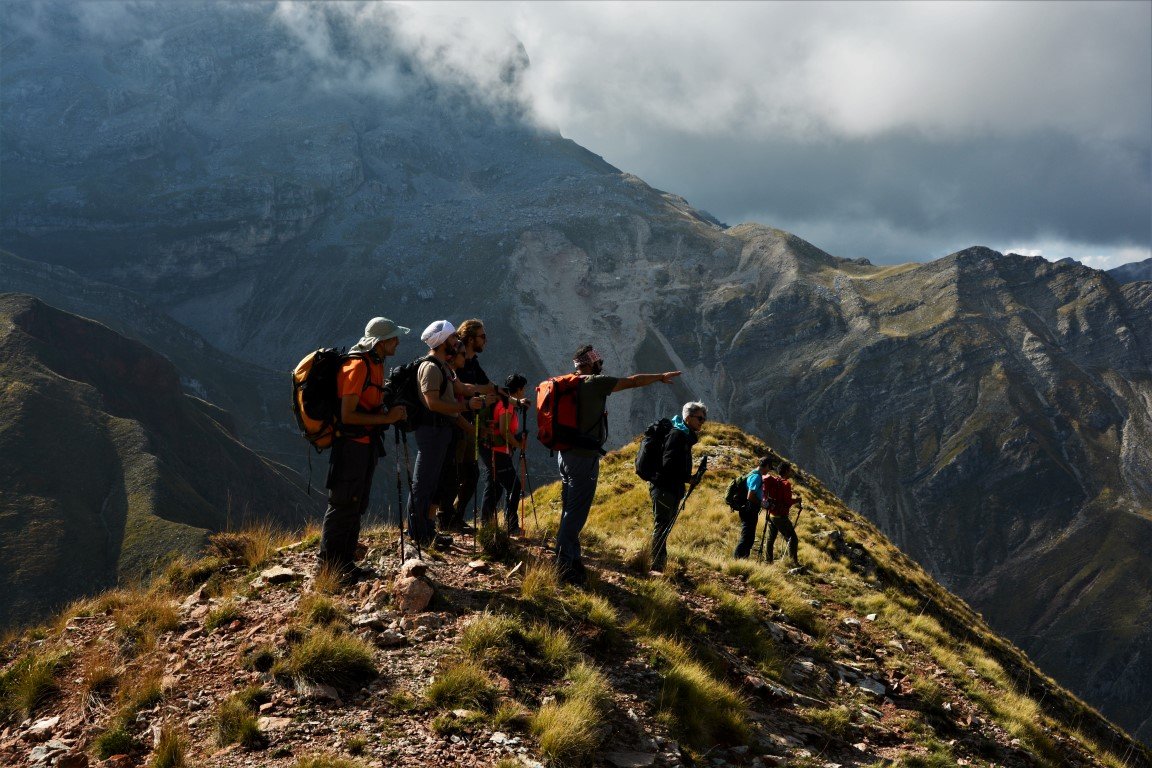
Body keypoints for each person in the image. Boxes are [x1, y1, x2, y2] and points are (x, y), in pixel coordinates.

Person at [556, 344, 681, 585]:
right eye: (598, 362)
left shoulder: (568, 383)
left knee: (569, 507)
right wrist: (660, 377)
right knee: (576, 511)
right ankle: (563, 565)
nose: (601, 366)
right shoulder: (595, 383)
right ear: (590, 364)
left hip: (564, 453)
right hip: (583, 456)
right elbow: (633, 381)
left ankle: (573, 558)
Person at [319, 316, 409, 581]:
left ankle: (344, 564)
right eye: (394, 337)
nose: (398, 341)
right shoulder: (357, 366)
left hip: (365, 446)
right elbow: (347, 415)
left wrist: (387, 412)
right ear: (381, 342)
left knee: (356, 504)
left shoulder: (376, 364)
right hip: (350, 448)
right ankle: (328, 568)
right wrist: (387, 418)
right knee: (343, 503)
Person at [405, 320, 497, 547]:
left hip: (440, 432)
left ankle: (426, 529)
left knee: (431, 481)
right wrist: (467, 407)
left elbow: (463, 389)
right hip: (431, 432)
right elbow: (433, 402)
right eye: (454, 338)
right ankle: (418, 532)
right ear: (444, 341)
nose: (457, 342)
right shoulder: (430, 367)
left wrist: (486, 392)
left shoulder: (444, 367)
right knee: (423, 482)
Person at [649, 402, 707, 573]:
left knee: (663, 525)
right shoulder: (678, 435)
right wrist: (688, 478)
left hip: (669, 487)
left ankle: (659, 562)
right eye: (700, 418)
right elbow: (668, 465)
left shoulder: (683, 435)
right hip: (665, 487)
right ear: (688, 417)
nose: (702, 422)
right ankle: (656, 564)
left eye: (704, 419)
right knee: (662, 525)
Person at [448, 319, 490, 530]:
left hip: (469, 424)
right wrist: (477, 392)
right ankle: (444, 517)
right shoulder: (458, 362)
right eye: (482, 336)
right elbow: (461, 392)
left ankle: (454, 516)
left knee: (470, 474)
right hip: (457, 424)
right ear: (471, 338)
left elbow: (487, 386)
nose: (486, 340)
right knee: (455, 473)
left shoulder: (473, 363)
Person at [483, 373, 529, 534]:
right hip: (499, 452)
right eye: (523, 390)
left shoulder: (503, 402)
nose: (524, 393)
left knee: (494, 488)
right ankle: (511, 525)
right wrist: (518, 444)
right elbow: (504, 431)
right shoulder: (507, 405)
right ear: (519, 390)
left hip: (492, 450)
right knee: (514, 486)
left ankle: (486, 525)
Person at [733, 457, 773, 559]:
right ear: (766, 466)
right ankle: (737, 560)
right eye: (769, 468)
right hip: (749, 510)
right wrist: (762, 504)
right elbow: (750, 496)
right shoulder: (757, 477)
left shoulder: (753, 474)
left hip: (748, 509)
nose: (769, 470)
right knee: (747, 537)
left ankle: (743, 560)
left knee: (749, 538)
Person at [763, 462, 801, 564]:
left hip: (771, 513)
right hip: (780, 516)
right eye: (790, 470)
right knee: (793, 538)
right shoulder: (786, 484)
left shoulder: (775, 480)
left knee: (770, 539)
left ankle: (768, 560)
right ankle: (793, 562)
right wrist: (797, 500)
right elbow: (788, 502)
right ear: (786, 471)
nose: (791, 472)